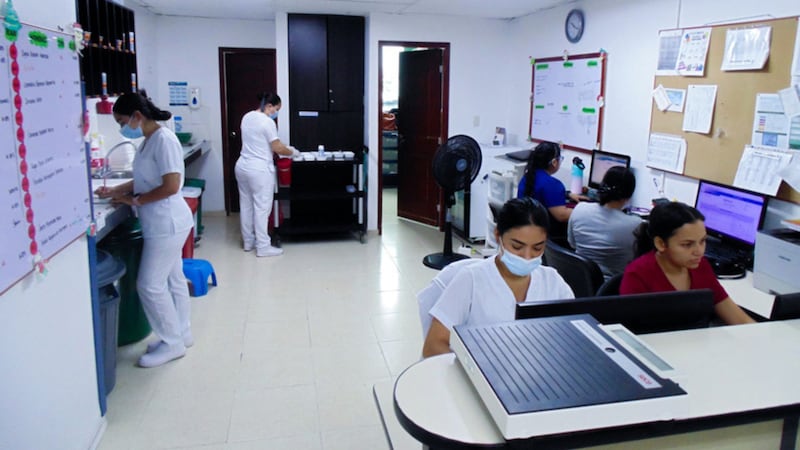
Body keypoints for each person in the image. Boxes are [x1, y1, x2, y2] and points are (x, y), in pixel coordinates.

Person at [95, 91, 196, 367]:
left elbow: (171, 185)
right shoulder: (148, 141)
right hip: (163, 222)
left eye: (122, 121)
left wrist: (134, 200)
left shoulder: (163, 140)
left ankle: (173, 343)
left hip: (167, 222)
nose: (121, 128)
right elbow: (143, 179)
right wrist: (116, 190)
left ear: (137, 116)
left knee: (149, 285)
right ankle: (180, 332)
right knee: (174, 279)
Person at [422, 198, 574, 357]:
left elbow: (573, 336)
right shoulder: (471, 279)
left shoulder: (552, 282)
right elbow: (434, 346)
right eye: (517, 246)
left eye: (537, 248)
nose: (527, 256)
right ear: (497, 236)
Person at [620, 202, 755, 325]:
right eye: (687, 244)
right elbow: (632, 334)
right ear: (661, 244)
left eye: (702, 241)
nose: (699, 251)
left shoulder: (701, 266)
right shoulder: (638, 274)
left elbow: (736, 316)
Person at [235, 92, 300, 257]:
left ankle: (248, 242)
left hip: (242, 166)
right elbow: (277, 147)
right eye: (276, 109)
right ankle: (263, 246)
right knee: (262, 208)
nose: (275, 113)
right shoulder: (267, 122)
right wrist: (292, 152)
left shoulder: (247, 117)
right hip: (259, 170)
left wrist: (283, 147)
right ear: (269, 106)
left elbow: (260, 141)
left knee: (246, 205)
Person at [568, 166, 640, 279]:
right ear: (629, 195)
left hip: (578, 281)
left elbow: (572, 244)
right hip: (610, 289)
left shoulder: (579, 208)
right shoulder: (635, 224)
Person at [517, 141, 585, 240]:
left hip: (527, 231)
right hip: (547, 237)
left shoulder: (528, 177)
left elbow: (541, 193)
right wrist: (588, 211)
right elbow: (562, 216)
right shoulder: (553, 184)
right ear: (554, 162)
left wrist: (568, 194)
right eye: (560, 159)